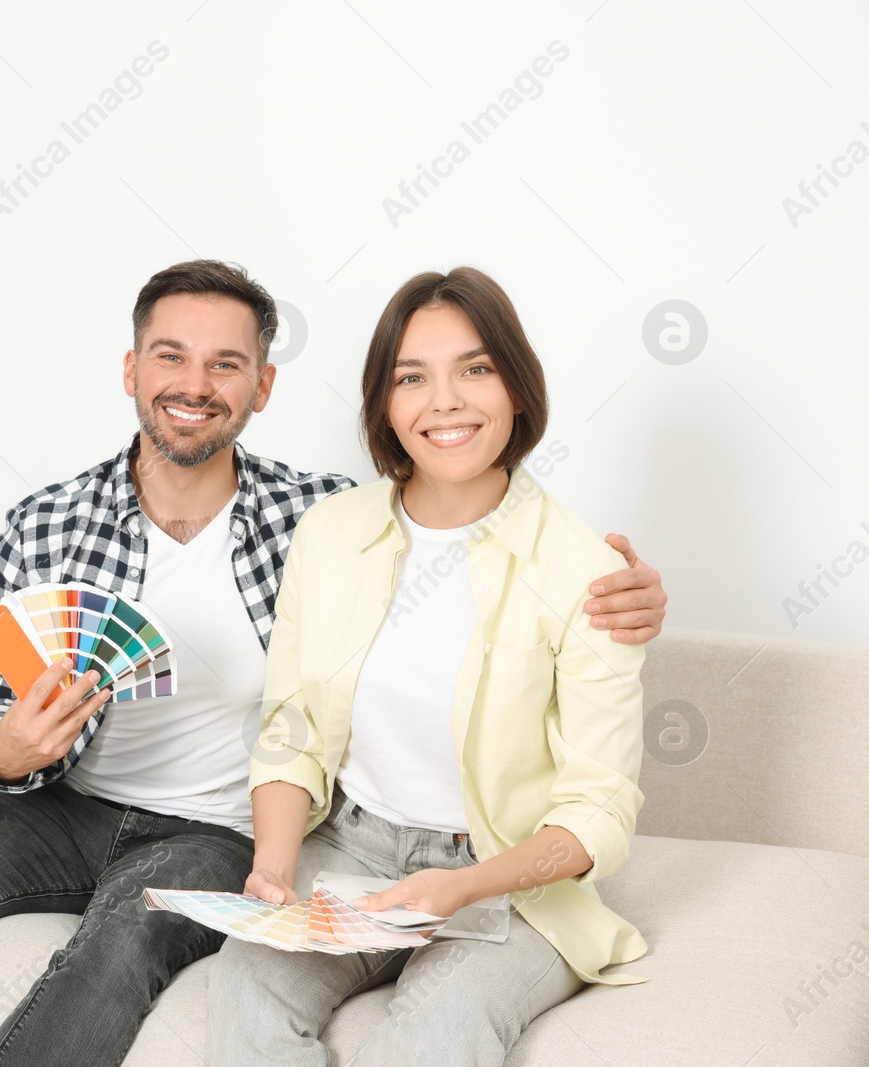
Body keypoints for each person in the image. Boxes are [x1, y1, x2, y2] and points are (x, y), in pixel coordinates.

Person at [0, 260, 667, 1067]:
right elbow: (288, 729)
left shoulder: (313, 516)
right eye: (170, 355)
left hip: (218, 830)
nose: (196, 383)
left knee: (134, 941)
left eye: (226, 364)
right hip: (82, 807)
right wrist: (8, 750)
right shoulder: (57, 525)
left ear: (264, 385)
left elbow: (591, 783)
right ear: (131, 369)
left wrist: (632, 593)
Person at [206, 266, 651, 1067]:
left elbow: (600, 809)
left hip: (509, 878)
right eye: (413, 377)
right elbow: (291, 732)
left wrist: (463, 887)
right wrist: (273, 868)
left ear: (517, 387)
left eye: (475, 368)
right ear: (385, 403)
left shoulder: (589, 569)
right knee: (241, 991)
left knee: (430, 1040)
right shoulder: (330, 534)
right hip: (351, 851)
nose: (444, 401)